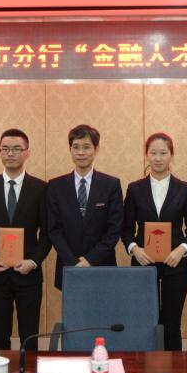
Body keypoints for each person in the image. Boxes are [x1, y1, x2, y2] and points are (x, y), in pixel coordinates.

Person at [0, 129, 51, 350]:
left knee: (30, 336)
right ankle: (0, 372)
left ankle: (30, 372)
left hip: (28, 274)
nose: (10, 154)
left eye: (17, 149)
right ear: (0, 152)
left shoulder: (41, 188)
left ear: (27, 153)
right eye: (6, 149)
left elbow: (47, 233)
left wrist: (33, 262)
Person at [121, 132, 187, 351]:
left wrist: (182, 250)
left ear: (171, 155)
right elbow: (125, 229)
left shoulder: (184, 189)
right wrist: (134, 249)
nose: (158, 158)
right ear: (146, 155)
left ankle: (173, 368)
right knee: (146, 321)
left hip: (176, 264)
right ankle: (145, 368)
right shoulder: (135, 188)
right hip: (143, 263)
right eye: (153, 153)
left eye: (163, 153)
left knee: (172, 323)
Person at [47, 124, 124, 290]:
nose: (81, 152)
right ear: (70, 149)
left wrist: (90, 260)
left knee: (104, 307)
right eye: (76, 147)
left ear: (96, 149)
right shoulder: (55, 186)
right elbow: (54, 229)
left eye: (86, 147)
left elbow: (114, 229)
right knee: (72, 308)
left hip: (102, 266)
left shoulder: (111, 185)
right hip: (69, 267)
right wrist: (73, 262)